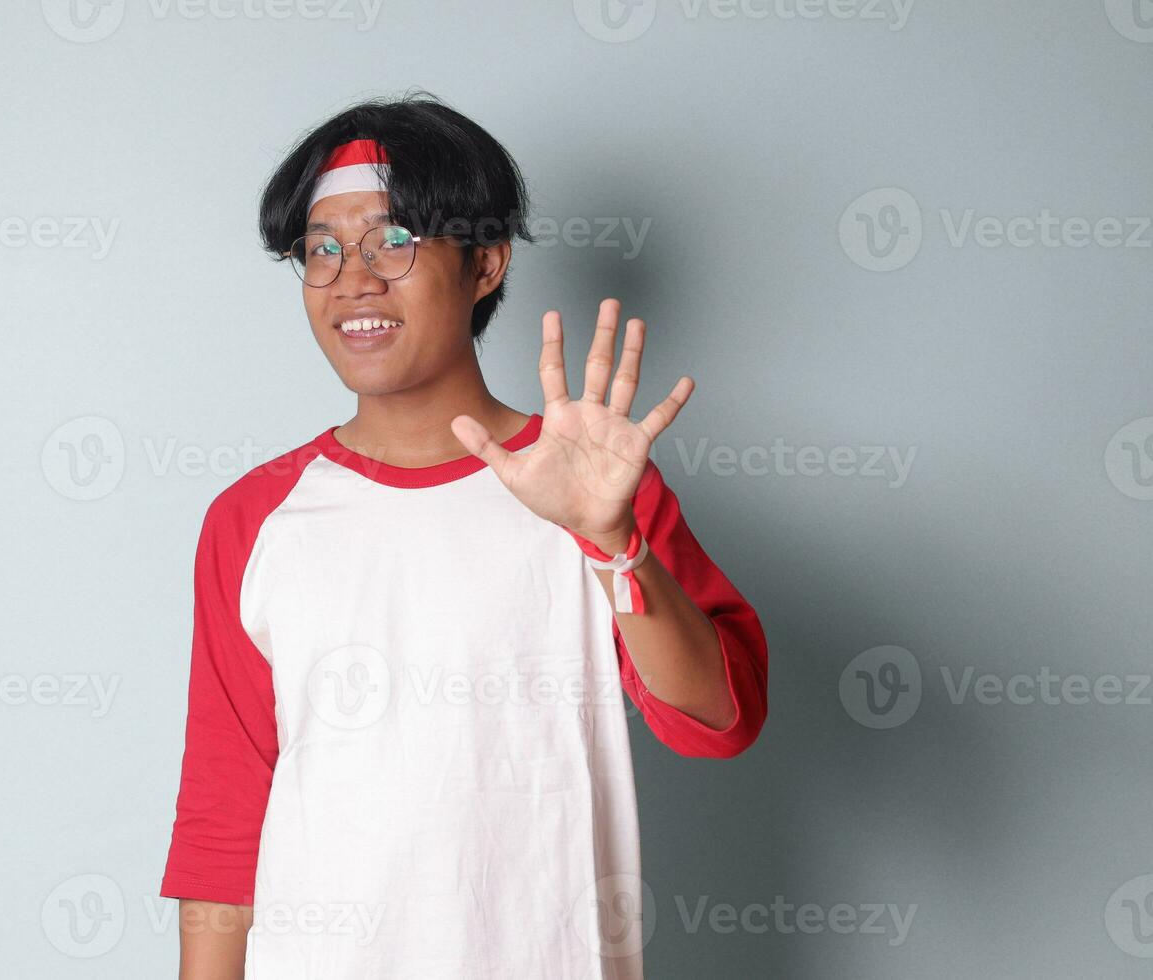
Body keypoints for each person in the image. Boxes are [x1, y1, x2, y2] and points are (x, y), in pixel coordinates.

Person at [159, 92, 768, 980]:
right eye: (322, 250)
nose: (353, 280)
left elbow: (721, 718)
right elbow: (223, 813)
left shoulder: (589, 487)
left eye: (393, 242)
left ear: (485, 263)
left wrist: (613, 542)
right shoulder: (254, 520)